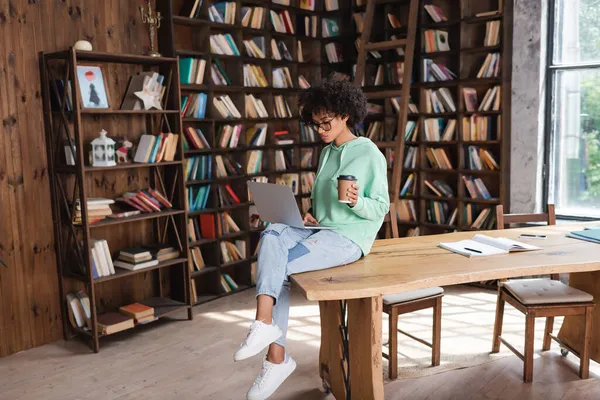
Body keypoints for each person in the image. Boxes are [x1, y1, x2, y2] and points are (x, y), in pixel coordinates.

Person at [234, 77, 390, 400]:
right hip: (323, 232)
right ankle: (265, 327)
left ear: (345, 114)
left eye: (326, 122)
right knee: (273, 231)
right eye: (316, 124)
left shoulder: (369, 153)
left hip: (348, 241)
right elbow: (323, 206)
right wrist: (309, 215)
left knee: (279, 266)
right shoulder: (327, 153)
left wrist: (355, 201)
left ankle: (275, 356)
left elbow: (382, 208)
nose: (320, 129)